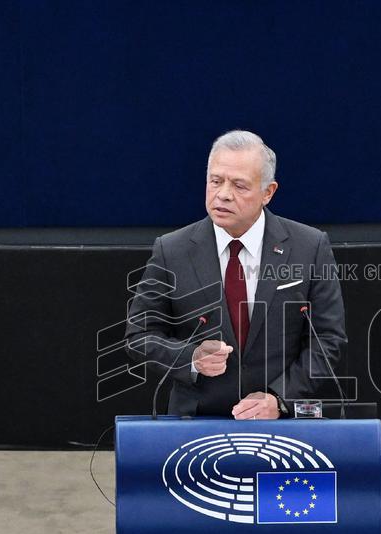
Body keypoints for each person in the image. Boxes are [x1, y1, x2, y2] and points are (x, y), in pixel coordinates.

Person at [125, 130, 346, 419]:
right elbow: (139, 335)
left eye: (239, 185)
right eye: (215, 181)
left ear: (268, 192)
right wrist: (190, 357)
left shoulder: (309, 247)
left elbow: (328, 338)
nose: (223, 194)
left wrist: (280, 399)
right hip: (195, 420)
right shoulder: (172, 250)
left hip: (279, 424)